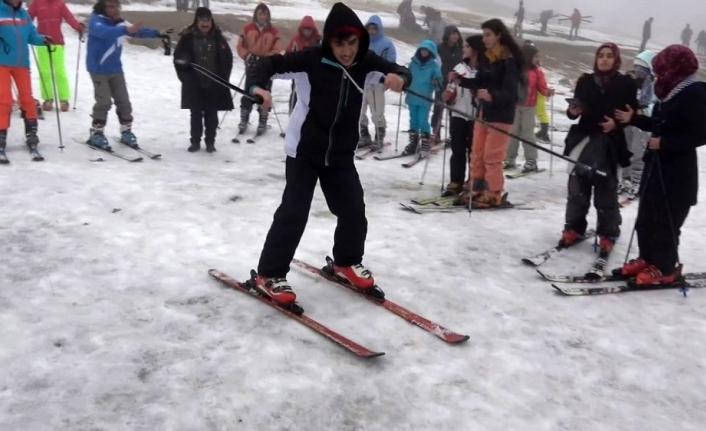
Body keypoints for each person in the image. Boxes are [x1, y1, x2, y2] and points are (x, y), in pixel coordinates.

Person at [247, 2, 411, 303]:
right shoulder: (311, 59)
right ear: (329, 41)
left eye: (352, 43)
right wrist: (258, 87)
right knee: (294, 213)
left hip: (339, 155)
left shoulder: (366, 62)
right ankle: (269, 274)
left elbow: (400, 70)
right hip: (305, 151)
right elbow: (269, 64)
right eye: (339, 44)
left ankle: (346, 262)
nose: (347, 51)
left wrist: (400, 77)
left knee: (353, 209)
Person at [614, 45, 706, 285]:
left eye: (661, 69)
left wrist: (665, 143)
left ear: (676, 66)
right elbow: (660, 122)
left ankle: (665, 267)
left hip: (677, 171)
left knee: (666, 219)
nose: (658, 74)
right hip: (655, 164)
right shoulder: (670, 89)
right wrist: (633, 119)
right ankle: (647, 258)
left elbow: (700, 134)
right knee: (646, 215)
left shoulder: (696, 91)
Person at [560, 43, 637, 253]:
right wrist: (573, 111)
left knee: (606, 192)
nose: (604, 59)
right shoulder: (585, 81)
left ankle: (609, 232)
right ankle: (574, 227)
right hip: (584, 140)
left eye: (609, 56)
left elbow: (631, 114)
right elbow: (574, 110)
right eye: (600, 56)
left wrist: (616, 124)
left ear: (616, 59)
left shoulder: (626, 84)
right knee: (577, 189)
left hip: (610, 144)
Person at [450, 19, 524, 208]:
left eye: (488, 35)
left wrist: (492, 95)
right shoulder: (487, 57)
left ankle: (493, 193)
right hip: (485, 112)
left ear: (499, 35)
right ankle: (475, 188)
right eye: (483, 35)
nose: (484, 39)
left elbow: (510, 92)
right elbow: (479, 82)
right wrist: (461, 81)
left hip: (501, 114)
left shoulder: (509, 60)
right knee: (477, 152)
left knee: (492, 156)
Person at [85, 0, 162, 150]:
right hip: (98, 69)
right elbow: (106, 33)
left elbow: (136, 31)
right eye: (111, 7)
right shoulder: (96, 21)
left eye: (116, 6)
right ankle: (97, 133)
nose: (115, 9)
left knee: (124, 101)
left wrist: (158, 33)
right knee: (104, 101)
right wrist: (125, 30)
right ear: (103, 7)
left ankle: (126, 132)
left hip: (115, 69)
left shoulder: (119, 23)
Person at [173, 7, 233, 153]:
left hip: (213, 83)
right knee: (196, 114)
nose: (205, 24)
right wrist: (186, 77)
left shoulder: (219, 38)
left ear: (211, 21)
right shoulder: (188, 38)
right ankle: (195, 141)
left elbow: (227, 59)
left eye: (208, 20)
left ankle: (210, 141)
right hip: (195, 83)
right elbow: (178, 58)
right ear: (196, 21)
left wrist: (222, 78)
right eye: (201, 20)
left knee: (212, 115)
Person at [0, 0, 51, 156]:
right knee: (5, 100)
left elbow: (31, 35)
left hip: (22, 64)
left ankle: (32, 134)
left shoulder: (24, 14)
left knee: (27, 99)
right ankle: (1, 136)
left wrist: (42, 39)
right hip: (2, 63)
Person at [441, 35, 482, 196]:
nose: (463, 49)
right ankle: (455, 182)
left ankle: (472, 182)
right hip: (458, 113)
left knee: (474, 151)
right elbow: (451, 88)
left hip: (475, 116)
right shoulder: (459, 68)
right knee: (457, 149)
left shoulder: (483, 70)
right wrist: (447, 95)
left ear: (475, 50)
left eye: (467, 47)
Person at [28, 0, 85, 112]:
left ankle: (63, 99)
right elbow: (27, 19)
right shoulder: (37, 3)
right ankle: (48, 98)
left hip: (57, 41)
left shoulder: (60, 3)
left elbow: (69, 17)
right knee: (45, 71)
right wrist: (24, 30)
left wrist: (78, 27)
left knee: (59, 71)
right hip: (42, 41)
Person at [234, 3, 281, 139]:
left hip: (266, 67)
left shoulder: (273, 31)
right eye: (260, 13)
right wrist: (247, 55)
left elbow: (277, 49)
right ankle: (244, 118)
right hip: (251, 64)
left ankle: (263, 119)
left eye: (264, 14)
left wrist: (267, 58)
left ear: (268, 15)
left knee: (265, 93)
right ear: (256, 14)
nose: (262, 16)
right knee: (248, 91)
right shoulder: (248, 28)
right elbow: (240, 45)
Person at [505, 42, 552, 172]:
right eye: (536, 56)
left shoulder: (537, 72)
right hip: (515, 106)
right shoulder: (515, 68)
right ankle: (509, 158)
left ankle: (531, 160)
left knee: (527, 134)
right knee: (513, 133)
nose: (538, 59)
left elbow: (542, 88)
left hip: (529, 107)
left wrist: (548, 92)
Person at [358, 14, 396, 150]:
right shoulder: (362, 43)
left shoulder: (386, 44)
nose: (372, 31)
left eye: (375, 28)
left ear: (379, 29)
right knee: (359, 111)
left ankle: (379, 137)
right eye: (370, 28)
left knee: (377, 111)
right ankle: (364, 135)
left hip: (378, 82)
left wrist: (387, 77)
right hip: (362, 81)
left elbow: (391, 62)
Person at [620, 49, 655, 196]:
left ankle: (637, 181)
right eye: (636, 66)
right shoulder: (630, 81)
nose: (638, 70)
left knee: (638, 152)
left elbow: (656, 103)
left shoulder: (654, 85)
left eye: (642, 68)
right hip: (627, 119)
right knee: (624, 149)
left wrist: (644, 111)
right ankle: (625, 178)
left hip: (642, 122)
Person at [402, 39, 442, 156]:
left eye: (426, 50)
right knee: (413, 120)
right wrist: (404, 82)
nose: (424, 52)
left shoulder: (434, 66)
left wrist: (436, 81)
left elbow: (438, 82)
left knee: (422, 120)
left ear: (431, 52)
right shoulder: (413, 64)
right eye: (422, 50)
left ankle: (425, 143)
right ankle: (413, 143)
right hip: (412, 95)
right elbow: (408, 75)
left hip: (424, 98)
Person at [431, 25, 462, 142]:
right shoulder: (440, 48)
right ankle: (436, 133)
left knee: (452, 110)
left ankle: (453, 135)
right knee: (438, 107)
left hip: (454, 83)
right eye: (452, 34)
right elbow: (435, 63)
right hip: (441, 81)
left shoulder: (459, 50)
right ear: (447, 35)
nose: (455, 36)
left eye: (456, 34)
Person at [285, 15, 320, 115]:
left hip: (314, 73)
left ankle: (312, 117)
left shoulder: (318, 40)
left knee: (314, 95)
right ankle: (292, 115)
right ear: (302, 29)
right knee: (295, 94)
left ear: (313, 30)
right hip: (297, 72)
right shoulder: (296, 39)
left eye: (309, 30)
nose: (307, 32)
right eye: (305, 29)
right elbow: (288, 53)